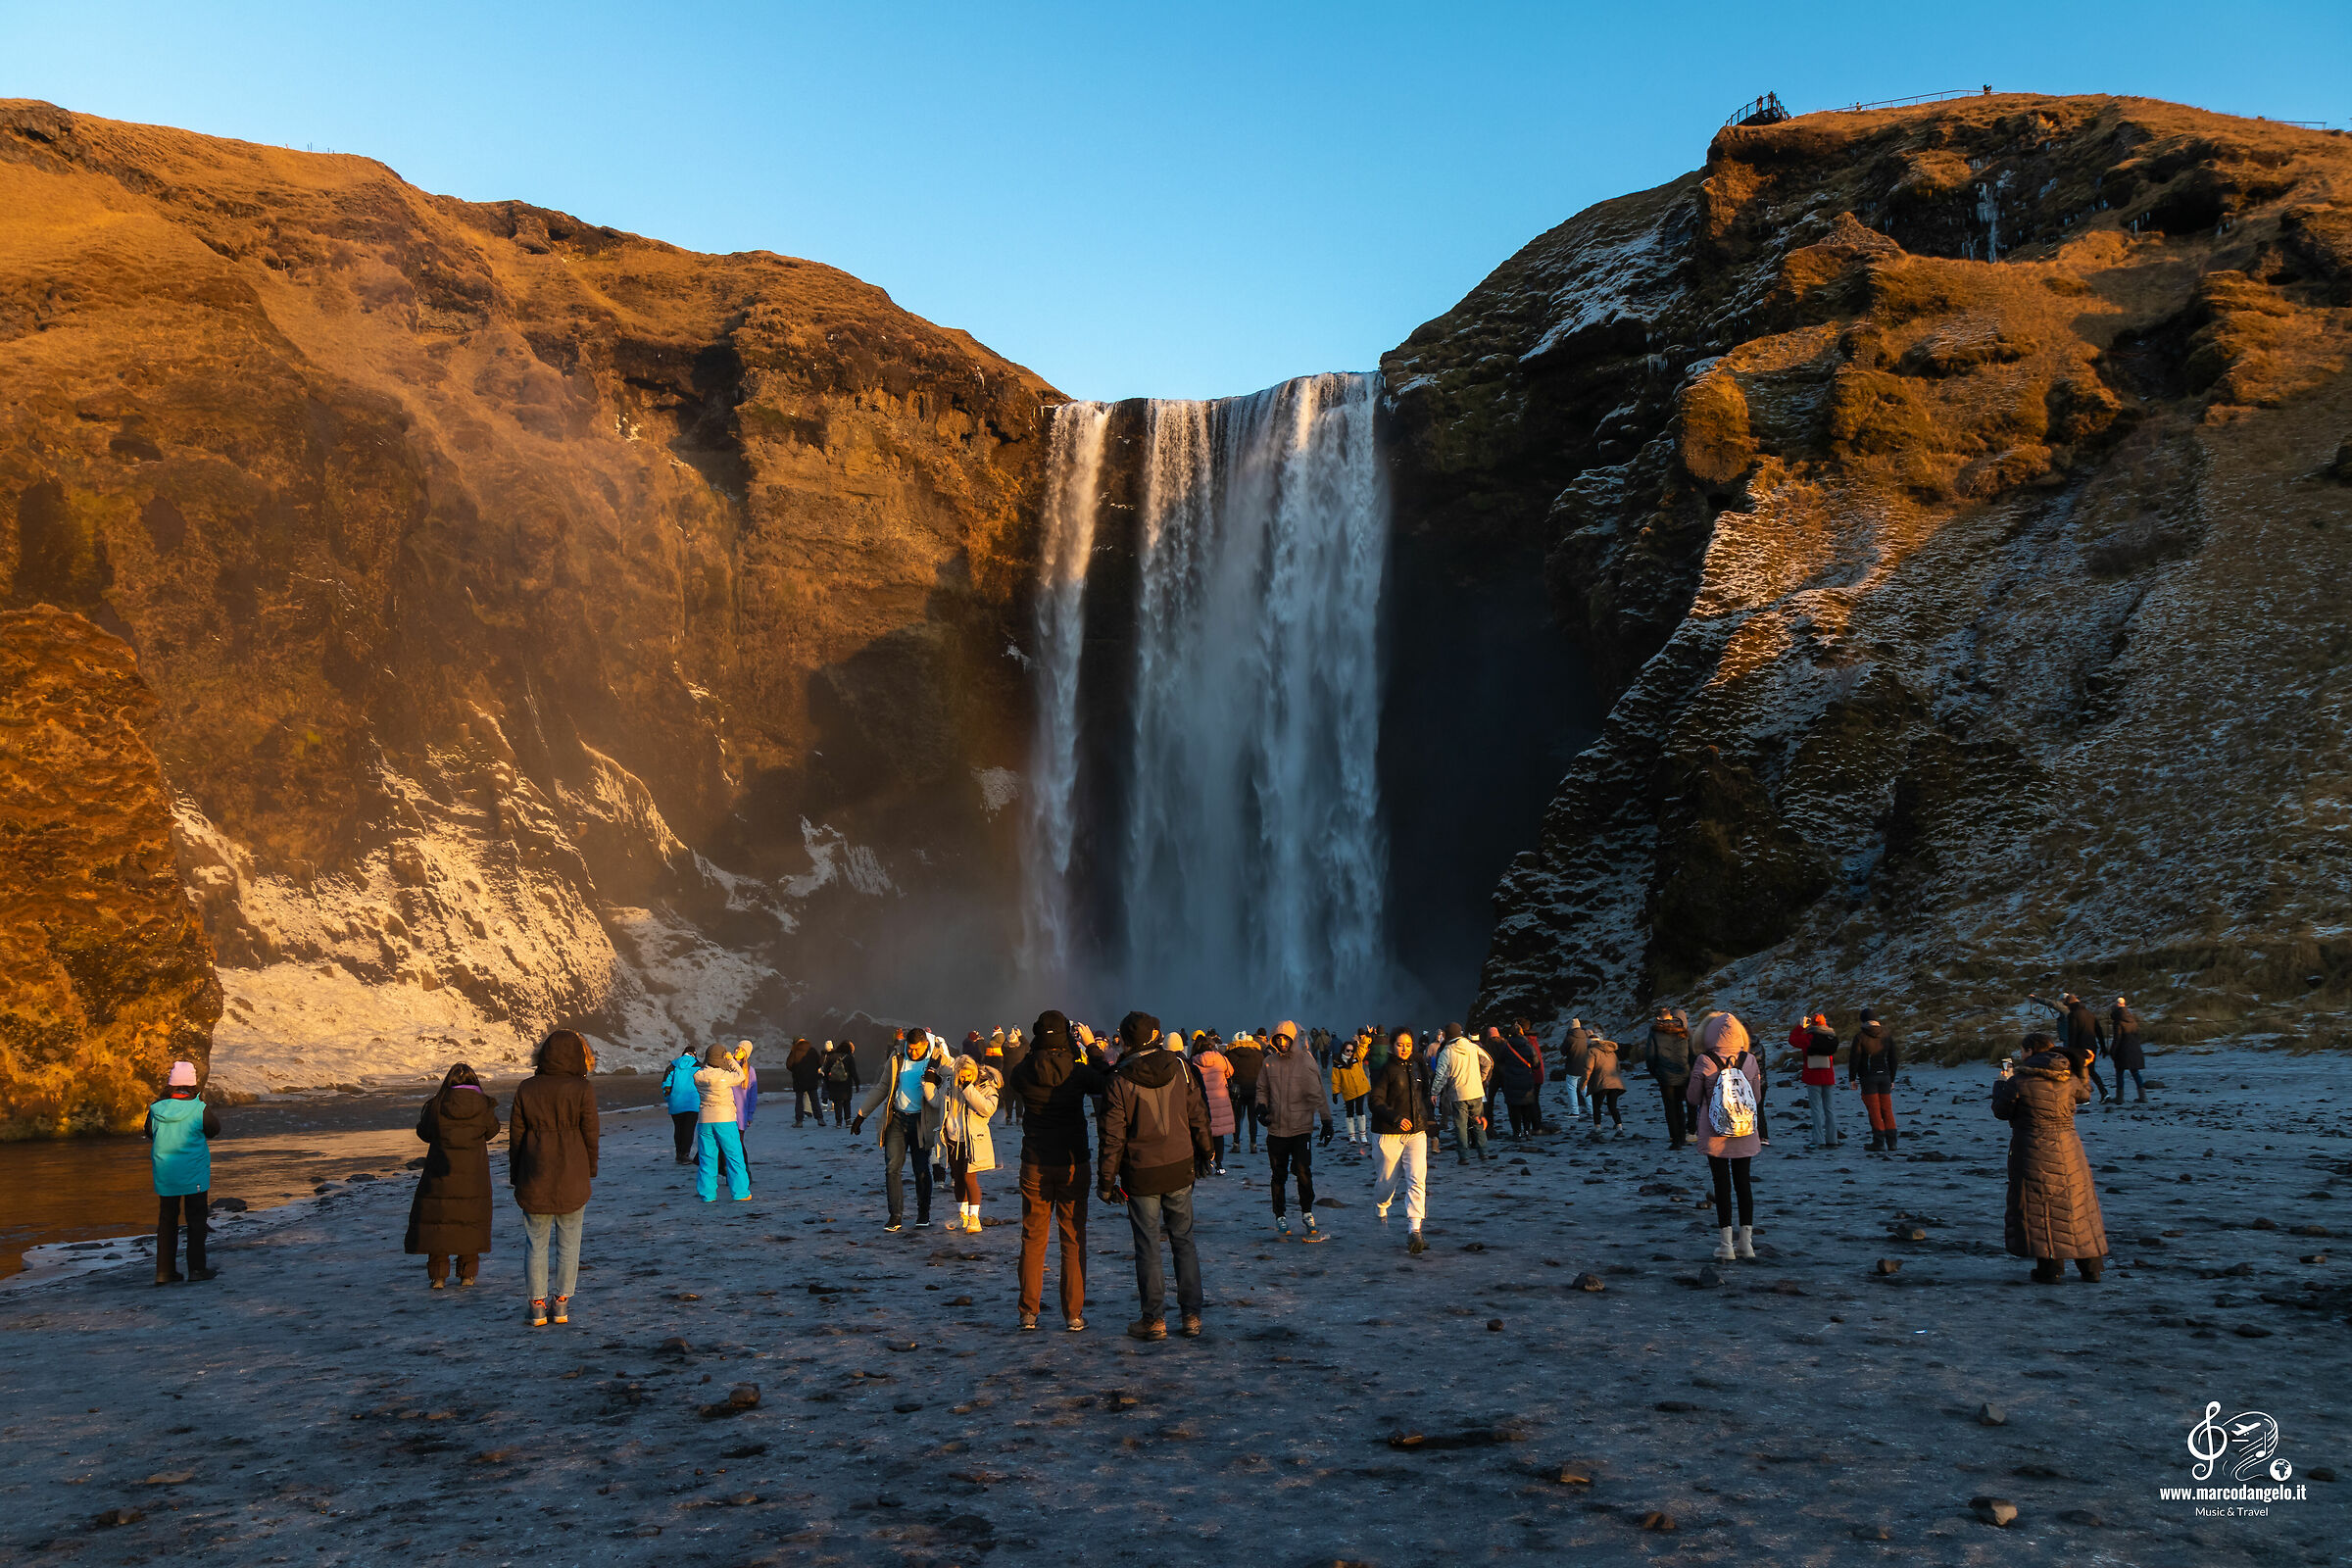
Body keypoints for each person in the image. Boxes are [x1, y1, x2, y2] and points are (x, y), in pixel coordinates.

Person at [1098, 1012, 1214, 1340]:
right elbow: (1198, 1115)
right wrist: (1208, 1153)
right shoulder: (1180, 1068)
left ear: (1128, 1040)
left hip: (1141, 1173)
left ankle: (1154, 1320)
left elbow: (1112, 1137)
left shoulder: (1119, 1078)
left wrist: (1106, 1182)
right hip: (1180, 1167)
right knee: (1184, 1242)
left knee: (1148, 1246)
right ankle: (1191, 1317)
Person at [1010, 1010, 1104, 1331]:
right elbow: (1108, 1079)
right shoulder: (1078, 1072)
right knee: (1073, 1238)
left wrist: (1037, 1048)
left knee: (1033, 1237)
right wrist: (1090, 1048)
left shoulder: (1025, 1070)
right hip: (1073, 1163)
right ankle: (1074, 1314)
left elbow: (1015, 1075)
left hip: (1035, 1163)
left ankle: (1028, 1312)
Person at [1992, 1032, 2108, 1282]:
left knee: (2041, 1208)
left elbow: (2001, 1111)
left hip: (2032, 1148)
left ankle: (2050, 1269)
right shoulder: (2068, 1077)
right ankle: (2091, 1268)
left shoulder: (2019, 1080)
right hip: (2070, 1148)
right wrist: (2084, 1070)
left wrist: (2003, 1082)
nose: (2021, 1055)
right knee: (2078, 1205)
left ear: (2032, 1052)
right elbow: (2085, 1095)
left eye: (2023, 1051)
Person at [509, 1029, 600, 1328]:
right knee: (570, 1242)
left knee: (536, 1243)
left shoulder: (526, 1088)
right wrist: (590, 1169)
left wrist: (516, 1174)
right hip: (573, 1173)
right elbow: (590, 1134)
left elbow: (516, 1138)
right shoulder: (582, 1089)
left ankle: (536, 1306)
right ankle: (561, 1305)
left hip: (534, 1173)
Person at [403, 1062, 500, 1289]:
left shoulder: (437, 1104)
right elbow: (492, 1131)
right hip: (473, 1176)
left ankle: (438, 1276)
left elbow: (424, 1133)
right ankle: (467, 1274)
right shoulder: (483, 1105)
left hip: (440, 1174)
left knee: (439, 1223)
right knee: (470, 1222)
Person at [1685, 1012, 1762, 1262]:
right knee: (1744, 1185)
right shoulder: (1749, 1059)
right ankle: (1747, 1244)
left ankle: (1726, 1245)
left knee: (1722, 1185)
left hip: (1715, 1132)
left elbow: (1693, 1099)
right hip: (1744, 1131)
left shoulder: (1704, 1060)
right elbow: (1757, 1098)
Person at [854, 1028, 946, 1232]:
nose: (912, 1052)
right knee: (892, 1168)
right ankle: (895, 1216)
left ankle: (923, 1214)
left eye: (916, 1049)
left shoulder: (938, 1059)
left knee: (921, 1169)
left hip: (922, 1122)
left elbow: (951, 1083)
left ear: (925, 1045)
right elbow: (882, 1087)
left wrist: (937, 1081)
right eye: (909, 1048)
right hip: (897, 1119)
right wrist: (861, 1115)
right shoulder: (897, 1057)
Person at [146, 1060, 220, 1286]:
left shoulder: (156, 1110)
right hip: (193, 1173)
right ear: (193, 1084)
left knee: (167, 1221)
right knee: (196, 1221)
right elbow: (214, 1130)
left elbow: (149, 1133)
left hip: (165, 1173)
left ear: (171, 1085)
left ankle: (164, 1272)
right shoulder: (199, 1109)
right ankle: (196, 1269)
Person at [1257, 1019, 1334, 1237]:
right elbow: (1262, 1088)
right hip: (1276, 1127)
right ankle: (1280, 1214)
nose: (1282, 1042)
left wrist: (1327, 1121)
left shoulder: (1306, 1062)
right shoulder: (1268, 1063)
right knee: (1278, 1174)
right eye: (1278, 1039)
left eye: (1286, 1039)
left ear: (1293, 1040)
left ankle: (1307, 1212)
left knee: (1303, 1171)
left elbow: (1318, 1094)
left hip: (1301, 1128)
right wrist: (1261, 1106)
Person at [1369, 1028, 1436, 1254]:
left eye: (1408, 1044)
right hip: (1388, 1133)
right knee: (1386, 1184)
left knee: (1417, 1178)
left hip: (1416, 1133)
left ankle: (1414, 1230)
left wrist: (1430, 1121)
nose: (1404, 1048)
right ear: (1392, 1045)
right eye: (1400, 1044)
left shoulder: (1418, 1065)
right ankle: (1381, 1203)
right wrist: (1395, 1118)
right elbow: (1374, 1101)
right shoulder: (1384, 1069)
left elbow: (1424, 1097)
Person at [942, 1053, 1003, 1234]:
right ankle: (963, 1216)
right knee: (957, 1178)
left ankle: (974, 1218)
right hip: (953, 1139)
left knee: (969, 1177)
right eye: (962, 1075)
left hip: (973, 1140)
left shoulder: (985, 1087)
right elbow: (936, 1103)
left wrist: (968, 1089)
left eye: (969, 1074)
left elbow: (987, 1109)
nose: (965, 1078)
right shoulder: (949, 1085)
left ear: (975, 1072)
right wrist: (927, 1083)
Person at [692, 1042, 754, 1202]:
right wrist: (731, 1060)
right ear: (721, 1057)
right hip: (725, 1119)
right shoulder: (725, 1077)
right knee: (734, 1156)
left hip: (705, 1120)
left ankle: (708, 1195)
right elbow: (740, 1075)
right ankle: (740, 1192)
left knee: (707, 1158)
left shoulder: (698, 1076)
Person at [1433, 1025, 1493, 1167]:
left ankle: (1464, 1157)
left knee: (1461, 1127)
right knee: (1478, 1123)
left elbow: (1440, 1075)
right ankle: (1483, 1153)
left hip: (1458, 1094)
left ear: (1447, 1035)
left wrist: (1434, 1092)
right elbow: (1488, 1062)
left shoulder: (1447, 1051)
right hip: (1476, 1092)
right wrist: (1482, 1079)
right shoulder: (1472, 1047)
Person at [1848, 1010, 1900, 1152]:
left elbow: (1855, 1059)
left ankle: (1878, 1142)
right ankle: (1892, 1142)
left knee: (1874, 1110)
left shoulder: (1860, 1036)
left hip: (1868, 1077)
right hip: (1885, 1076)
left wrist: (1852, 1078)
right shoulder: (1886, 1034)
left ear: (1863, 1020)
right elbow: (1893, 1058)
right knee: (1887, 1109)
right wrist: (1892, 1078)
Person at [1646, 1006, 1696, 1150]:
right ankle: (1682, 1137)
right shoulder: (1684, 1032)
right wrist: (1690, 1070)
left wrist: (1655, 1072)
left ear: (1659, 1018)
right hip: (1683, 1073)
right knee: (1680, 1106)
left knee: (1670, 1108)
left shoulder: (1655, 1032)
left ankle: (1676, 1140)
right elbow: (1692, 1054)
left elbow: (1650, 1056)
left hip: (1665, 1075)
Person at [1192, 1032, 1235, 1174]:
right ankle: (1220, 1164)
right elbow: (1230, 1072)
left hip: (1204, 1101)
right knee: (1219, 1134)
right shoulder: (1220, 1058)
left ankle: (1207, 1160)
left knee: (1206, 1131)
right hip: (1220, 1100)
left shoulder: (1194, 1061)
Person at [1494, 1023, 1542, 1139]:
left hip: (1511, 1080)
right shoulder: (1529, 1046)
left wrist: (1505, 1071)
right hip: (1526, 1080)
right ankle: (1526, 1131)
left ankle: (1517, 1133)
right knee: (1526, 1107)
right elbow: (1536, 1064)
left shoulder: (1506, 1047)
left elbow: (1499, 1061)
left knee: (1514, 1109)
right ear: (1522, 1033)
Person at [1330, 1029, 1373, 1155]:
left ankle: (1363, 1136)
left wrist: (1367, 1036)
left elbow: (1364, 1047)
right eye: (1347, 1050)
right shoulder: (1337, 1064)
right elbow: (1336, 1080)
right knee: (1349, 1113)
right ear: (1343, 1050)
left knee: (1360, 1111)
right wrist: (1335, 1093)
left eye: (1351, 1050)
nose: (1349, 1052)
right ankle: (1352, 1136)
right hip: (1347, 1090)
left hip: (1360, 1088)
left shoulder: (1357, 1058)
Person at [1224, 1030, 1267, 1155]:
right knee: (1252, 1118)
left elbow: (1227, 1072)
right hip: (1254, 1090)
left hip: (1237, 1091)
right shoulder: (1259, 1055)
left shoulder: (1230, 1054)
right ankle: (1253, 1144)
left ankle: (1236, 1144)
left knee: (1237, 1119)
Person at [659, 1047, 701, 1163]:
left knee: (678, 1129)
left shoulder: (673, 1066)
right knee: (689, 1129)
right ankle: (684, 1154)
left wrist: (669, 1098)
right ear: (694, 1054)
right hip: (693, 1103)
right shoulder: (699, 1066)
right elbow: (705, 1083)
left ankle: (679, 1154)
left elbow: (666, 1085)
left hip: (676, 1102)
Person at [1584, 1031, 1626, 1138]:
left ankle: (1597, 1128)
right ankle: (1619, 1127)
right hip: (1615, 1082)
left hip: (1601, 1082)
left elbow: (1588, 1069)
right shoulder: (1612, 1051)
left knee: (1597, 1106)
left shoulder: (1591, 1051)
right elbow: (1618, 1068)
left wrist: (1582, 1084)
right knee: (1613, 1106)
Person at [2107, 998, 2148, 1104]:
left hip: (2122, 1050)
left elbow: (2117, 1039)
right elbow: (2137, 1034)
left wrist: (2112, 1051)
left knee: (2119, 1072)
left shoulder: (2118, 1022)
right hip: (2134, 1049)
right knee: (2135, 1072)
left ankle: (2119, 1097)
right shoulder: (2132, 1019)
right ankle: (2143, 1096)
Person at [1558, 1020, 1592, 1125]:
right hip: (1583, 1067)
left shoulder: (1569, 1038)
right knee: (1584, 1089)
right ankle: (1591, 1110)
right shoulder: (1585, 1037)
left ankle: (1574, 1111)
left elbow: (1563, 1051)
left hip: (1572, 1067)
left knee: (1572, 1089)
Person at [820, 1038, 860, 1127]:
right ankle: (848, 1121)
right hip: (846, 1083)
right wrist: (857, 1084)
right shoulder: (849, 1057)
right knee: (847, 1102)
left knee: (837, 1102)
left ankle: (838, 1122)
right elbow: (853, 1072)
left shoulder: (832, 1057)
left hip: (834, 1084)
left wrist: (827, 1084)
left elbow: (826, 1071)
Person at [787, 1037, 823, 1126]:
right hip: (812, 1079)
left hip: (799, 1080)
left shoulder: (795, 1051)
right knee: (814, 1100)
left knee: (799, 1101)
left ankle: (799, 1121)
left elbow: (789, 1065)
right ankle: (820, 1119)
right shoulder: (812, 1050)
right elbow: (819, 1063)